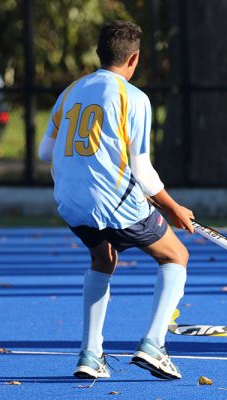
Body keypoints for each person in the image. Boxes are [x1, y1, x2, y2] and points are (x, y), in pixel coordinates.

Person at [38, 20, 194, 380]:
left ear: (99, 53)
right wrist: (173, 209)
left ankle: (91, 354)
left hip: (70, 203)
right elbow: (143, 170)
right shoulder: (134, 98)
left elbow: (47, 150)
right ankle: (154, 344)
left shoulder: (70, 91)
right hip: (115, 204)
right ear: (134, 58)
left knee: (103, 258)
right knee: (175, 256)